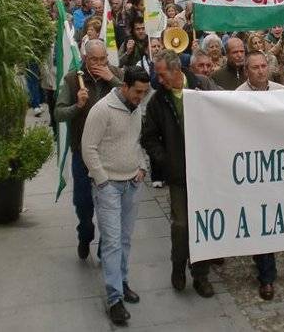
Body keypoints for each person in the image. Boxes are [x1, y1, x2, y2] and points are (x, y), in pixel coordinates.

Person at [141, 50, 219, 298]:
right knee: (181, 224)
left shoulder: (202, 86)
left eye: (161, 74)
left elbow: (229, 108)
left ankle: (201, 275)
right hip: (179, 175)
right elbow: (149, 137)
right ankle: (178, 265)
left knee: (203, 223)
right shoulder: (157, 101)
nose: (158, 80)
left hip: (206, 172)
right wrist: (166, 161)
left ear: (177, 71)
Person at [82, 66, 150, 326]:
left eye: (144, 93)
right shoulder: (102, 110)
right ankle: (114, 299)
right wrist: (102, 180)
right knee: (111, 241)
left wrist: (141, 166)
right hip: (108, 185)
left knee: (124, 239)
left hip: (132, 182)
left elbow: (136, 141)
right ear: (125, 86)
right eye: (137, 92)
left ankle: (121, 282)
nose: (140, 97)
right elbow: (88, 148)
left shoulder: (137, 108)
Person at [55, 39, 124, 260]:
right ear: (85, 58)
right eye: (94, 59)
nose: (99, 63)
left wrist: (111, 79)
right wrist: (78, 106)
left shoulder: (115, 74)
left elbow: (133, 98)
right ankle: (85, 233)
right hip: (83, 154)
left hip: (111, 152)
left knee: (109, 205)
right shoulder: (73, 79)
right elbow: (59, 113)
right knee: (83, 202)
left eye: (103, 59)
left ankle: (106, 245)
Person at [234, 52, 284, 300]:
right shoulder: (238, 97)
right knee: (260, 218)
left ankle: (265, 267)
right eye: (255, 67)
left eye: (264, 66)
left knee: (270, 219)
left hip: (277, 166)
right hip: (252, 167)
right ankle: (266, 276)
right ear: (247, 71)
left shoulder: (281, 90)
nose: (261, 71)